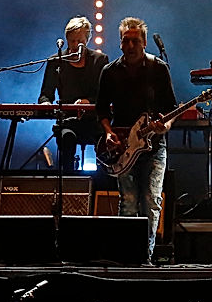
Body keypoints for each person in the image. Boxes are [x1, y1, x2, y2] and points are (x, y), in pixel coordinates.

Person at [95, 17, 177, 262]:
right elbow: (101, 109)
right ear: (120, 43)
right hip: (123, 147)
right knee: (128, 201)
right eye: (126, 40)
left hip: (153, 146)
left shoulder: (158, 68)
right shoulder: (109, 72)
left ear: (143, 43)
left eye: (135, 41)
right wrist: (109, 132)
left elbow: (171, 108)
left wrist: (165, 126)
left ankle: (146, 257)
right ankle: (127, 256)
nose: (130, 45)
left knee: (151, 200)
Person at [38, 16, 109, 170]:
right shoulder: (56, 61)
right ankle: (70, 184)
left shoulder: (100, 61)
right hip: (67, 121)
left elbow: (105, 95)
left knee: (104, 144)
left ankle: (102, 186)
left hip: (95, 121)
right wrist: (46, 104)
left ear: (88, 39)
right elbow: (45, 94)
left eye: (79, 41)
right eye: (72, 41)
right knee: (67, 138)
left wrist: (88, 102)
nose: (75, 45)